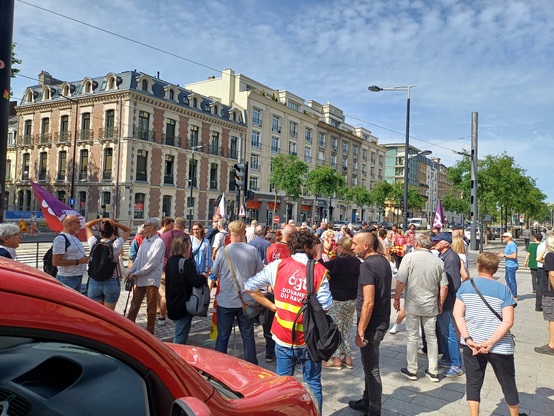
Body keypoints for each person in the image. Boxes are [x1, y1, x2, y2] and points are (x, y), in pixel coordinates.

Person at [245, 229, 332, 414]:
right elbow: (326, 306)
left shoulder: (277, 266)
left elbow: (249, 286)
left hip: (283, 335)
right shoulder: (319, 271)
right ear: (308, 247)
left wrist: (271, 305)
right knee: (313, 382)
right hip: (310, 339)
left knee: (283, 384)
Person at [453, 252, 525, 416]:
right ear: (495, 269)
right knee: (507, 383)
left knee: (473, 382)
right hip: (500, 346)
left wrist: (468, 338)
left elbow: (458, 314)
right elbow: (508, 321)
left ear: (478, 266)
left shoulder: (466, 286)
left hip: (473, 344)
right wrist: (491, 342)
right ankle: (514, 414)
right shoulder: (504, 289)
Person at [348, 230, 392, 416]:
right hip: (380, 321)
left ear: (366, 245)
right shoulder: (383, 261)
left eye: (354, 244)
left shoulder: (367, 265)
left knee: (372, 369)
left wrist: (360, 331)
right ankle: (367, 400)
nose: (351, 247)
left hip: (372, 325)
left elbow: (369, 301)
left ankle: (373, 410)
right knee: (368, 366)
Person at [394, 234, 448, 382]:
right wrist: (440, 303)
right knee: (431, 337)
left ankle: (412, 369)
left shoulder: (409, 258)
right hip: (430, 303)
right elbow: (444, 286)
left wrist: (397, 298)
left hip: (413, 302)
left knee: (412, 336)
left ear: (417, 244)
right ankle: (433, 370)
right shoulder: (438, 261)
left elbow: (400, 281)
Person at [211, 220, 263, 364]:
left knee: (222, 336)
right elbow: (260, 273)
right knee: (248, 336)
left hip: (226, 300)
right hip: (247, 300)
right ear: (244, 233)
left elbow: (214, 274)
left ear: (229, 233)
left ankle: (218, 367)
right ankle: (252, 366)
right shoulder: (252, 250)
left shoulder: (223, 251)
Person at [321, 237, 360, 370]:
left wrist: (321, 252)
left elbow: (320, 268)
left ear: (342, 248)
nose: (336, 248)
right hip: (352, 300)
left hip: (337, 299)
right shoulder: (358, 263)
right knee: (347, 328)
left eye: (338, 246)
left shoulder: (337, 262)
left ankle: (335, 358)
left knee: (335, 328)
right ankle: (348, 357)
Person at [432, 232, 464, 377]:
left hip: (447, 301)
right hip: (445, 301)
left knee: (450, 333)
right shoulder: (445, 256)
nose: (435, 243)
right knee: (445, 332)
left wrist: (443, 302)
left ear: (446, 243)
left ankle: (456, 364)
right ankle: (447, 357)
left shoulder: (450, 258)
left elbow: (452, 283)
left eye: (438, 241)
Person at [165, 235, 207, 344]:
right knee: (180, 337)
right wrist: (203, 276)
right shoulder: (186, 263)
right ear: (184, 247)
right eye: (189, 246)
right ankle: (175, 358)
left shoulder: (170, 261)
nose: (191, 249)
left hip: (172, 301)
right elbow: (196, 281)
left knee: (179, 332)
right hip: (183, 304)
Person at [126, 218, 165, 334]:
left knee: (151, 308)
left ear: (152, 227)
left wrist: (136, 273)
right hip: (140, 278)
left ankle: (150, 332)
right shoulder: (144, 241)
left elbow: (152, 264)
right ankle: (128, 329)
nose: (143, 228)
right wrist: (131, 271)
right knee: (134, 305)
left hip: (151, 279)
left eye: (145, 226)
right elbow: (138, 259)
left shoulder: (159, 242)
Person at [85, 218, 131, 310]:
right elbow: (128, 230)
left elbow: (87, 225)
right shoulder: (116, 245)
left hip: (94, 280)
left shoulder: (93, 243)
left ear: (100, 233)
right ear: (113, 233)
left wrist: (101, 219)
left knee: (96, 312)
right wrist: (114, 223)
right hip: (111, 280)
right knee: (109, 313)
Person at [159, 217, 189, 326]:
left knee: (164, 295)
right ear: (184, 226)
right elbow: (188, 255)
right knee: (181, 294)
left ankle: (162, 318)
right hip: (180, 269)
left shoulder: (164, 236)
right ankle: (179, 318)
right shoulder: (185, 237)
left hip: (164, 268)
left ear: (174, 224)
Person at [52, 215, 88, 292]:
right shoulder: (61, 239)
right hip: (67, 278)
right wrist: (78, 261)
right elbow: (56, 262)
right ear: (70, 224)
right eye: (78, 223)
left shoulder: (74, 237)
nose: (80, 225)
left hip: (77, 276)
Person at [535, 235, 554, 355]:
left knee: (552, 318)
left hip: (551, 293)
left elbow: (552, 274)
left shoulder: (551, 256)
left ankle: (552, 344)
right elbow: (538, 258)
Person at [498, 232, 519, 300]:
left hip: (512, 265)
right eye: (503, 237)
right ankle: (510, 293)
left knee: (511, 280)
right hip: (508, 265)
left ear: (509, 238)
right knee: (507, 279)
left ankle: (514, 295)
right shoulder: (508, 245)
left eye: (505, 237)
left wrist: (504, 255)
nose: (503, 238)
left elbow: (514, 256)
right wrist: (502, 254)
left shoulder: (512, 245)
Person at [524, 233, 541, 309]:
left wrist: (526, 262)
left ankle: (534, 288)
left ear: (535, 238)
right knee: (540, 277)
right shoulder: (542, 245)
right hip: (540, 264)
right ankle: (539, 287)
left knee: (533, 276)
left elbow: (528, 254)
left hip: (532, 263)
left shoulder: (531, 245)